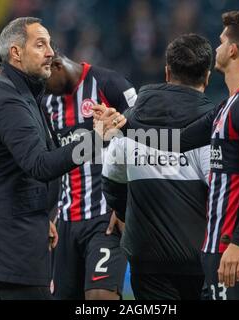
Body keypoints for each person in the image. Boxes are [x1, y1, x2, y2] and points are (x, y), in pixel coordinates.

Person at [0, 17, 125, 300]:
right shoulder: (10, 100)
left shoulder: (21, 96)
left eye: (50, 44)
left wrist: (44, 215)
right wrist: (95, 139)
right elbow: (40, 165)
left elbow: (13, 170)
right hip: (9, 249)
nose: (50, 52)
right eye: (40, 44)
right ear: (16, 53)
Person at [164, 11, 239, 299]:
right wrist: (122, 127)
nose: (216, 48)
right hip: (219, 245)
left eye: (221, 41)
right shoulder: (230, 104)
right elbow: (177, 141)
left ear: (233, 50)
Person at [101, 33, 215, 300]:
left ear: (166, 72)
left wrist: (122, 212)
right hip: (202, 260)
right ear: (207, 77)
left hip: (147, 261)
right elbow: (221, 190)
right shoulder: (214, 126)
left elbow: (111, 179)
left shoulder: (128, 121)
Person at [43, 51, 136, 300]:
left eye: (44, 78)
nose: (42, 85)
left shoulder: (110, 84)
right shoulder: (46, 104)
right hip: (66, 221)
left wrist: (126, 205)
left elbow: (143, 141)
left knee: (99, 297)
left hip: (107, 217)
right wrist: (48, 214)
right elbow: (47, 164)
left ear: (57, 65)